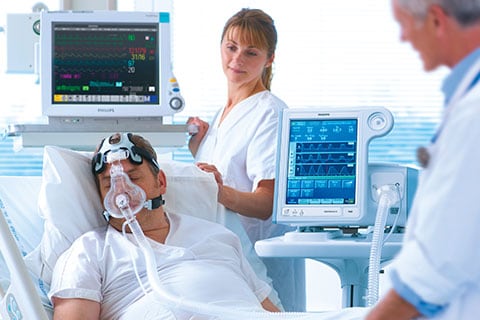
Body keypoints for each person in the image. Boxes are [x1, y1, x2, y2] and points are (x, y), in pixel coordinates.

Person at [48, 132, 280, 319]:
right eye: (110, 184)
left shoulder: (219, 235)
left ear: (160, 182)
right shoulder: (88, 251)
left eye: (134, 177)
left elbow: (275, 314)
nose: (123, 191)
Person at [367, 1, 480, 319]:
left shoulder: (473, 114)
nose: (403, 38)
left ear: (435, 20)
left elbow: (437, 267)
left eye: (404, 24)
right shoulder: (467, 99)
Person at [187, 8, 303, 311]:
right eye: (231, 47)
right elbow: (227, 174)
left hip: (259, 266)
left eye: (251, 52)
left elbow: (266, 203)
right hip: (224, 263)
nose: (237, 59)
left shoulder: (269, 113)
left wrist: (217, 190)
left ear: (269, 59)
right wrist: (199, 148)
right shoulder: (222, 113)